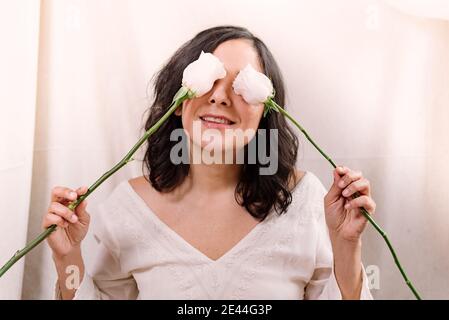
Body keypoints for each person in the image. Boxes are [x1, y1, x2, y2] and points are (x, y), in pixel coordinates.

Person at [43, 26, 375, 300]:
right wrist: (67, 258)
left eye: (241, 84)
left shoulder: (307, 202)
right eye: (209, 81)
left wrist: (346, 246)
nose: (219, 96)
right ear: (177, 102)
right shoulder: (127, 210)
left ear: (266, 112)